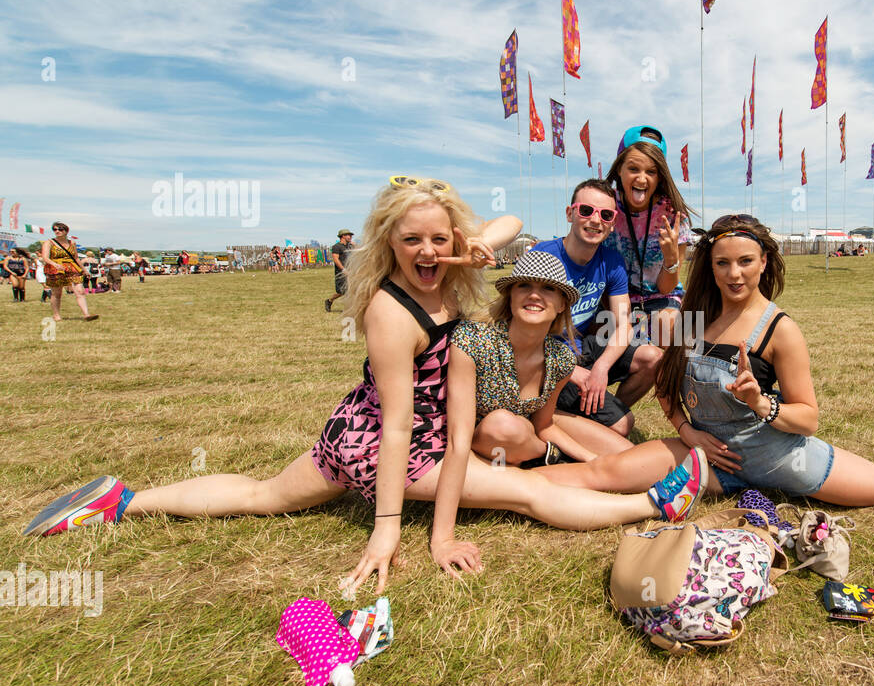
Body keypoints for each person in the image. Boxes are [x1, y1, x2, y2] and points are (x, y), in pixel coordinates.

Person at [24, 177, 707, 594]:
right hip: (397, 442)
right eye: (412, 240)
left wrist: (465, 242)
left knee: (265, 496)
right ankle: (653, 504)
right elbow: (402, 425)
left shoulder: (446, 273)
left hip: (355, 429)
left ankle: (125, 500)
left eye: (438, 238)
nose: (427, 251)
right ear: (389, 244)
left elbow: (510, 228)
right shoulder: (391, 309)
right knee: (527, 493)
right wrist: (388, 532)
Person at [536, 215, 874, 507]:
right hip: (710, 464)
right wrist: (686, 432)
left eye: (745, 262)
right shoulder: (693, 318)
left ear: (764, 263)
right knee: (601, 474)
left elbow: (808, 417)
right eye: (722, 263)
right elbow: (668, 386)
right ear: (709, 266)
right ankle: (479, 485)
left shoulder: (781, 331)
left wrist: (763, 403)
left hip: (782, 457)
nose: (734, 274)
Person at [452, 250, 608, 466]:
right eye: (524, 285)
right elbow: (458, 434)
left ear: (562, 304)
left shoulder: (561, 358)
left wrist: (591, 459)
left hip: (519, 443)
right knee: (504, 426)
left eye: (548, 288)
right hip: (475, 447)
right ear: (511, 296)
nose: (535, 295)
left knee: (623, 451)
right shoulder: (474, 340)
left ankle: (545, 458)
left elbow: (543, 424)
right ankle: (547, 457)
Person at [535, 179, 661, 447]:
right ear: (570, 213)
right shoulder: (544, 257)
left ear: (613, 222)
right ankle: (553, 418)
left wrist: (601, 368)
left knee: (653, 357)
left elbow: (625, 324)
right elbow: (519, 335)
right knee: (622, 427)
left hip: (583, 349)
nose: (595, 220)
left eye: (605, 214)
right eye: (586, 211)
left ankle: (594, 411)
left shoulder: (611, 261)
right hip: (545, 361)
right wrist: (570, 371)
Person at [604, 125, 694, 348]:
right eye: (633, 168)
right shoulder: (604, 208)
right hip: (615, 302)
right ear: (619, 170)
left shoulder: (673, 215)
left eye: (651, 172)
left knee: (674, 329)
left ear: (660, 176)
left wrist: (671, 257)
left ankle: (670, 382)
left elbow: (665, 288)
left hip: (661, 301)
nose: (642, 179)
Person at [39, 223, 98, 321]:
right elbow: (45, 257)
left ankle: (86, 315)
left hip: (72, 267)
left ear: (66, 231)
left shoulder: (72, 243)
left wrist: (84, 270)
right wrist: (55, 264)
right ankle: (56, 315)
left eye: (60, 229)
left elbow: (76, 258)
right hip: (56, 269)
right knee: (57, 293)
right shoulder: (49, 242)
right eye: (55, 229)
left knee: (80, 291)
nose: (57, 231)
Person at [326, 228, 354, 312]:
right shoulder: (336, 247)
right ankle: (329, 300)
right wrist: (343, 269)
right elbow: (336, 259)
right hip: (341, 272)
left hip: (351, 270)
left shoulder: (349, 246)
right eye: (348, 235)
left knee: (352, 289)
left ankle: (351, 308)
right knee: (342, 291)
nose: (350, 237)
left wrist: (355, 245)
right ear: (343, 236)